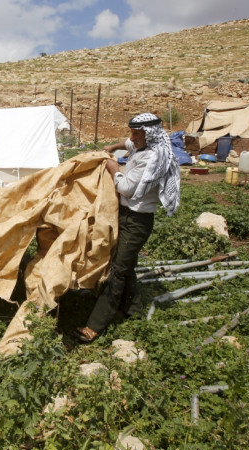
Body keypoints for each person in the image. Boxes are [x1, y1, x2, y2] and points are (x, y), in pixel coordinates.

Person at [75, 113, 180, 343]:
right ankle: (133, 312)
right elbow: (128, 144)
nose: (132, 138)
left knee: (118, 270)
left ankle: (95, 325)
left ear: (149, 134)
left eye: (136, 133)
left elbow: (126, 188)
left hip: (137, 221)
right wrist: (114, 145)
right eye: (131, 132)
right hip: (126, 216)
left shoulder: (152, 157)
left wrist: (114, 168)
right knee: (127, 265)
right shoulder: (143, 144)